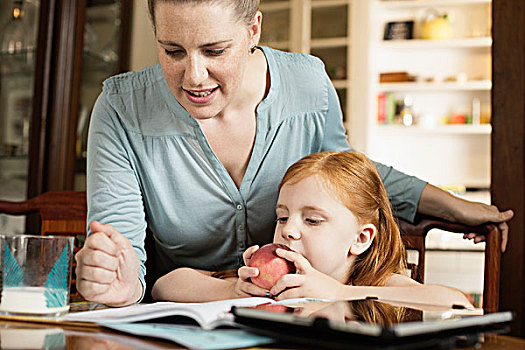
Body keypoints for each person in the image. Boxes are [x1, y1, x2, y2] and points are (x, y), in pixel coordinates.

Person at [74, 0, 513, 306]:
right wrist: (117, 281)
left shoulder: (308, 83)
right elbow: (131, 266)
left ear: (253, 30)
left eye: (215, 51)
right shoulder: (122, 109)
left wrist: (450, 204)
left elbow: (348, 178)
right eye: (172, 51)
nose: (194, 76)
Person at [152, 152, 472, 308]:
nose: (288, 231)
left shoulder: (373, 284)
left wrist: (341, 293)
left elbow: (458, 304)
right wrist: (233, 290)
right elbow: (165, 286)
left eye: (312, 220)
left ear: (360, 239)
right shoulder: (271, 281)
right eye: (282, 217)